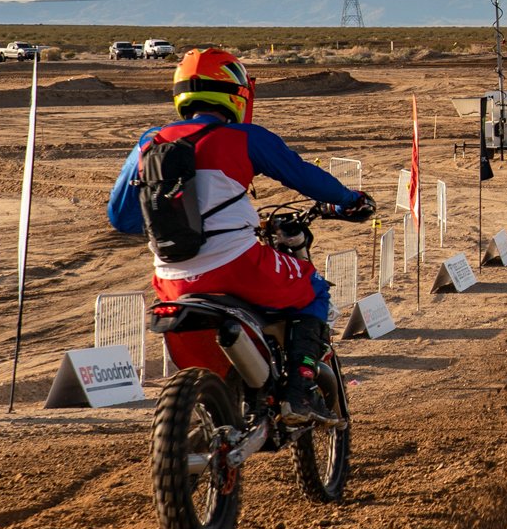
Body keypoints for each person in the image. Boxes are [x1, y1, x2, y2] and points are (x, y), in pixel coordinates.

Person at [107, 49, 375, 420]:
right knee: (312, 287)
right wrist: (351, 200)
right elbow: (306, 178)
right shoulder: (244, 137)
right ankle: (299, 391)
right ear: (236, 93)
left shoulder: (150, 141)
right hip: (236, 266)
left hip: (171, 279)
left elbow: (121, 218)